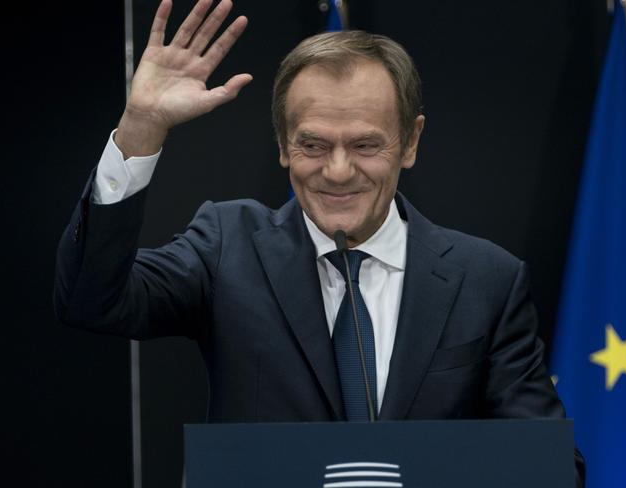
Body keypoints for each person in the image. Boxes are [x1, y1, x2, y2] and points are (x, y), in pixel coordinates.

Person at [54, 0, 584, 483]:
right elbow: (90, 299)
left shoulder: (485, 278)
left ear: (411, 142)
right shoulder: (226, 246)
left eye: (364, 145)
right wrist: (141, 127)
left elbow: (553, 468)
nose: (337, 170)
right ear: (284, 144)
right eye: (312, 144)